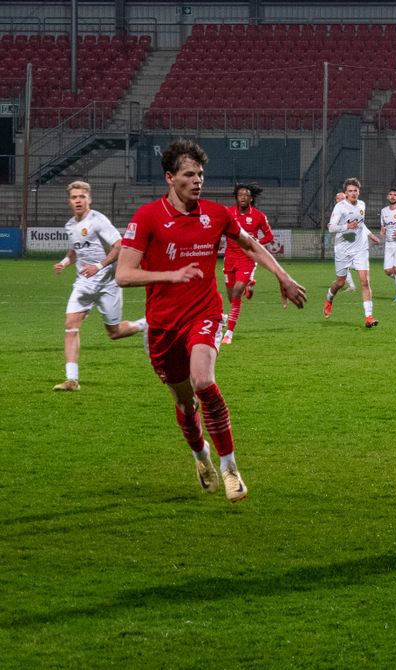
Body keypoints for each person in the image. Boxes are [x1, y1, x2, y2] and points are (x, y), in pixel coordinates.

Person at [116, 139, 307, 503]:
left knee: (203, 380)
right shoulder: (147, 217)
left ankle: (230, 468)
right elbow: (123, 274)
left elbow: (250, 245)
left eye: (201, 174)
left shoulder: (217, 214)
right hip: (162, 326)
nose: (197, 180)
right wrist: (170, 276)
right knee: (186, 405)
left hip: (203, 314)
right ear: (170, 178)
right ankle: (200, 455)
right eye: (189, 174)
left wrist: (283, 276)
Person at [53, 180, 147, 391]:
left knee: (114, 332)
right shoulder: (70, 225)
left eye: (82, 197)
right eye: (74, 197)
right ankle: (71, 380)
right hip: (84, 283)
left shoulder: (98, 220)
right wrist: (65, 262)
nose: (78, 200)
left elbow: (119, 246)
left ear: (89, 199)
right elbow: (75, 249)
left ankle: (145, 324)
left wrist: (98, 265)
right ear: (69, 201)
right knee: (70, 324)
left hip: (107, 283)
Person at [322, 177, 382, 327]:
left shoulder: (362, 204)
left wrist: (370, 235)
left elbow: (361, 224)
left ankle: (369, 317)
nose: (353, 193)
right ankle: (329, 299)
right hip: (343, 249)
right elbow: (331, 227)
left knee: (365, 281)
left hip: (360, 248)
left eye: (355, 190)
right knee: (340, 282)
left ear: (359, 192)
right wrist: (347, 227)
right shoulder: (340, 207)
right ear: (346, 193)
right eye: (350, 191)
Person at [221, 182, 274, 345]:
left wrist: (257, 241)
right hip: (230, 258)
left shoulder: (259, 216)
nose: (243, 197)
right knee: (231, 296)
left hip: (248, 258)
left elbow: (269, 236)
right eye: (240, 195)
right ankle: (249, 285)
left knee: (236, 293)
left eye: (246, 195)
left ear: (251, 199)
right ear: (236, 197)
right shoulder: (228, 213)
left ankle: (229, 333)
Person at [335, 191, 356, 292]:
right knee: (344, 264)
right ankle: (351, 285)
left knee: (345, 263)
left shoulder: (350, 210)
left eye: (342, 198)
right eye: (339, 199)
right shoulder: (337, 210)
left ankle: (359, 266)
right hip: (340, 239)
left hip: (348, 239)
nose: (340, 200)